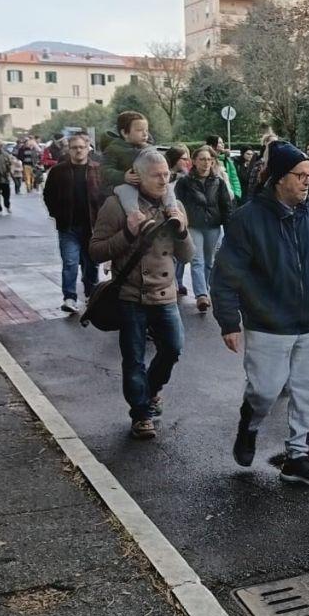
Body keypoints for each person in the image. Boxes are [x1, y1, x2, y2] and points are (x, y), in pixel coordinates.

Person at [212, 140, 309, 487]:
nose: (307, 182)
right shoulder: (247, 219)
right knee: (264, 391)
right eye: (300, 176)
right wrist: (228, 321)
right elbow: (225, 275)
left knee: (308, 392)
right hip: (268, 325)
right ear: (279, 178)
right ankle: (250, 422)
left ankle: (297, 457)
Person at [89, 148, 193, 441]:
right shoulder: (116, 205)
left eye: (166, 174)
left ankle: (151, 390)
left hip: (165, 294)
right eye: (156, 176)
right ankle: (140, 414)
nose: (163, 180)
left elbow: (187, 256)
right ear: (138, 177)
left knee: (173, 348)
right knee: (134, 358)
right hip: (131, 295)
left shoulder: (174, 205)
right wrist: (128, 233)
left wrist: (182, 231)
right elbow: (95, 251)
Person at [42, 134, 101, 314]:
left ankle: (91, 294)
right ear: (69, 149)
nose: (78, 150)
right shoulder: (58, 171)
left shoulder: (97, 170)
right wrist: (56, 213)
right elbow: (48, 194)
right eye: (74, 147)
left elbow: (105, 195)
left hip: (92, 226)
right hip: (68, 226)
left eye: (81, 147)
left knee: (92, 263)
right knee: (70, 262)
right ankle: (69, 297)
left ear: (88, 148)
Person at [175, 145, 234, 313]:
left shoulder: (218, 182)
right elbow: (178, 203)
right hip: (193, 225)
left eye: (209, 159)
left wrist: (229, 228)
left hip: (213, 225)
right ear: (194, 161)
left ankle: (205, 289)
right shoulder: (184, 182)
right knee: (197, 259)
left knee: (209, 261)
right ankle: (201, 294)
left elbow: (226, 206)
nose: (206, 163)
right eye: (202, 159)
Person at [206, 136, 242, 201]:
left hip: (230, 195)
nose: (223, 144)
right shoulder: (208, 160)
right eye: (220, 143)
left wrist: (237, 194)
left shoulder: (227, 159)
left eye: (223, 142)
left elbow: (234, 178)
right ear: (212, 145)